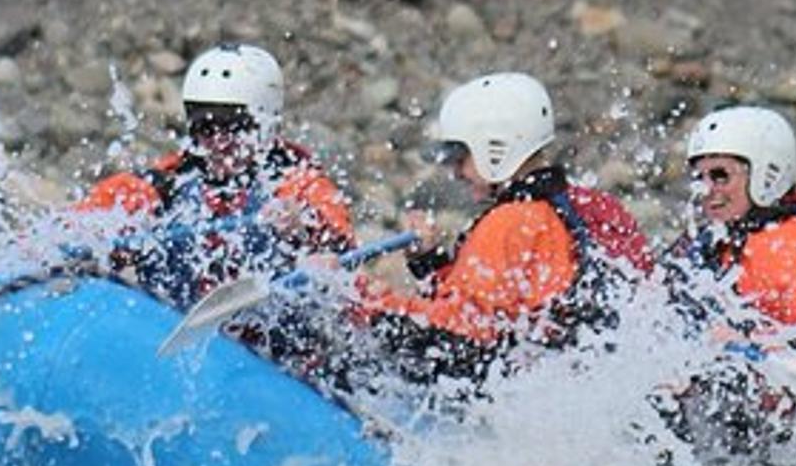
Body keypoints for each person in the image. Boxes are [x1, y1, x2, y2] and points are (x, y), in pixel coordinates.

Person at [350, 71, 652, 386]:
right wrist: (431, 264)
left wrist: (355, 299)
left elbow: (458, 337)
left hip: (525, 390)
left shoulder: (512, 222)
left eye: (460, 157)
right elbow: (502, 305)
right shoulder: (579, 206)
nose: (456, 172)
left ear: (494, 146)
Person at [75, 42, 354, 306]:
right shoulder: (166, 184)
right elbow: (81, 222)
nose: (219, 141)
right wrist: (82, 241)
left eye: (235, 126)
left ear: (265, 124)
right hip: (174, 327)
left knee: (360, 299)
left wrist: (306, 233)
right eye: (205, 127)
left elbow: (342, 243)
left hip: (270, 339)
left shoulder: (297, 184)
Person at [666, 106, 796, 345]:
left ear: (766, 173)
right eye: (700, 177)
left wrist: (746, 343)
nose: (706, 189)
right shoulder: (717, 239)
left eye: (720, 176)